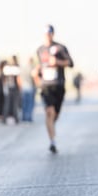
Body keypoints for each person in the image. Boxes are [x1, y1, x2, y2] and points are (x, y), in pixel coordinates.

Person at [34, 24, 74, 153]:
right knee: (49, 112)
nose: (47, 36)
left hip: (58, 85)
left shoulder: (60, 48)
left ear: (53, 34)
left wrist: (57, 62)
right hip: (46, 86)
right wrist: (36, 74)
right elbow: (39, 66)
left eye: (49, 33)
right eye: (45, 34)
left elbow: (70, 63)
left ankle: (51, 126)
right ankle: (52, 141)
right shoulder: (40, 50)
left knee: (55, 115)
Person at [20, 56, 37, 122]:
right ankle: (28, 117)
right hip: (30, 86)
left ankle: (24, 116)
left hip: (24, 87)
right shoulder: (32, 67)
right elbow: (34, 76)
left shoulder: (23, 68)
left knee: (25, 103)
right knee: (30, 103)